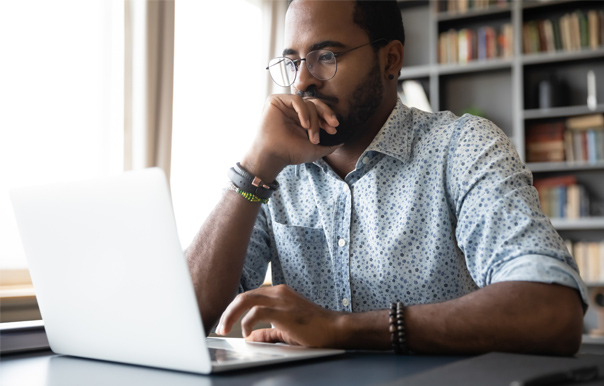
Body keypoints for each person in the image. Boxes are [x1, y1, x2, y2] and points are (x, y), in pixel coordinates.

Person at [186, 0, 587, 355]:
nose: (302, 81)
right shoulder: (274, 171)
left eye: (326, 55)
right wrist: (252, 170)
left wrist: (341, 329)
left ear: (390, 60)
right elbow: (186, 315)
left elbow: (550, 309)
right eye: (293, 61)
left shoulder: (460, 147)